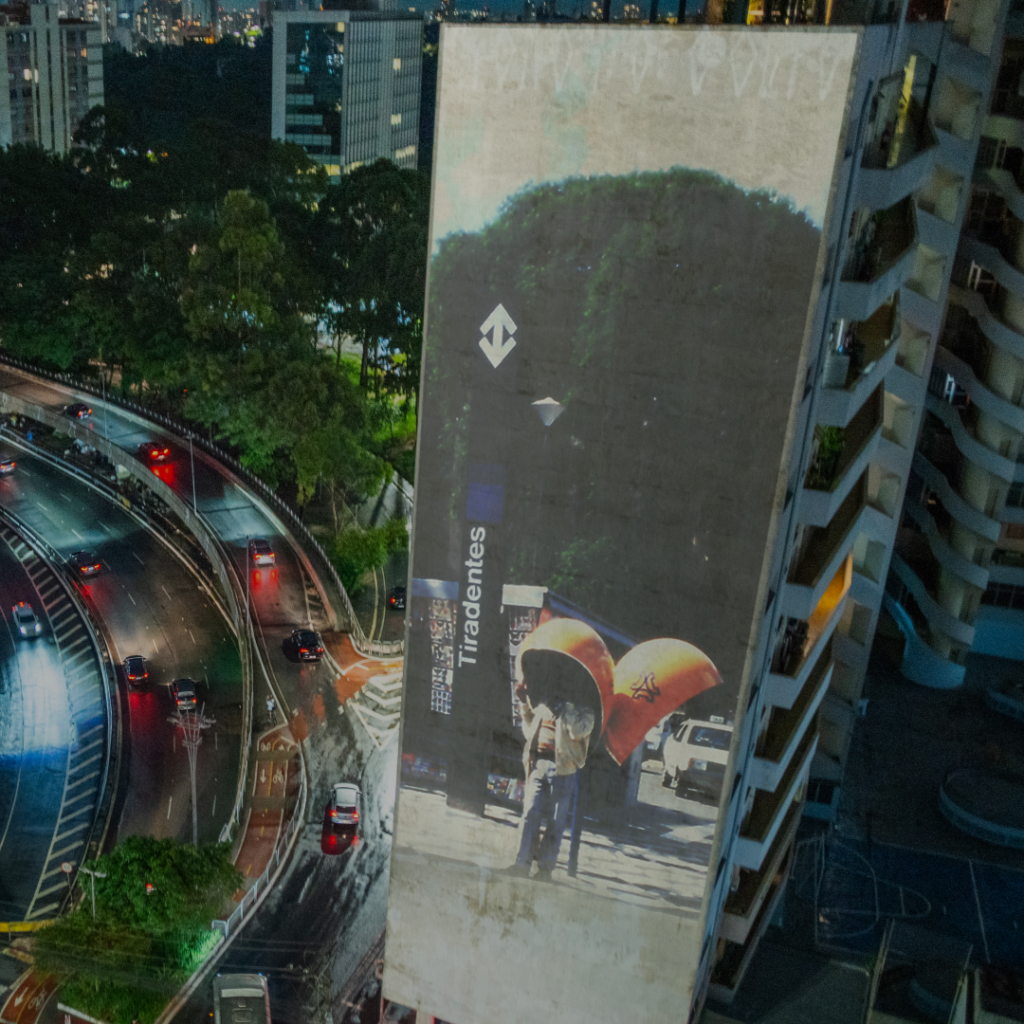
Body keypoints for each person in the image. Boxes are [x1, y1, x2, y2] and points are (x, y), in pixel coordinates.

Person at [508, 670, 595, 881]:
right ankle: (522, 864)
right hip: (539, 764)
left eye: (568, 684)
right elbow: (529, 727)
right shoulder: (546, 703)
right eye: (561, 682)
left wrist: (568, 707)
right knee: (530, 813)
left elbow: (575, 732)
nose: (563, 687)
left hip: (563, 770)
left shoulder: (585, 712)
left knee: (556, 821)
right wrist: (523, 703)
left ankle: (545, 869)